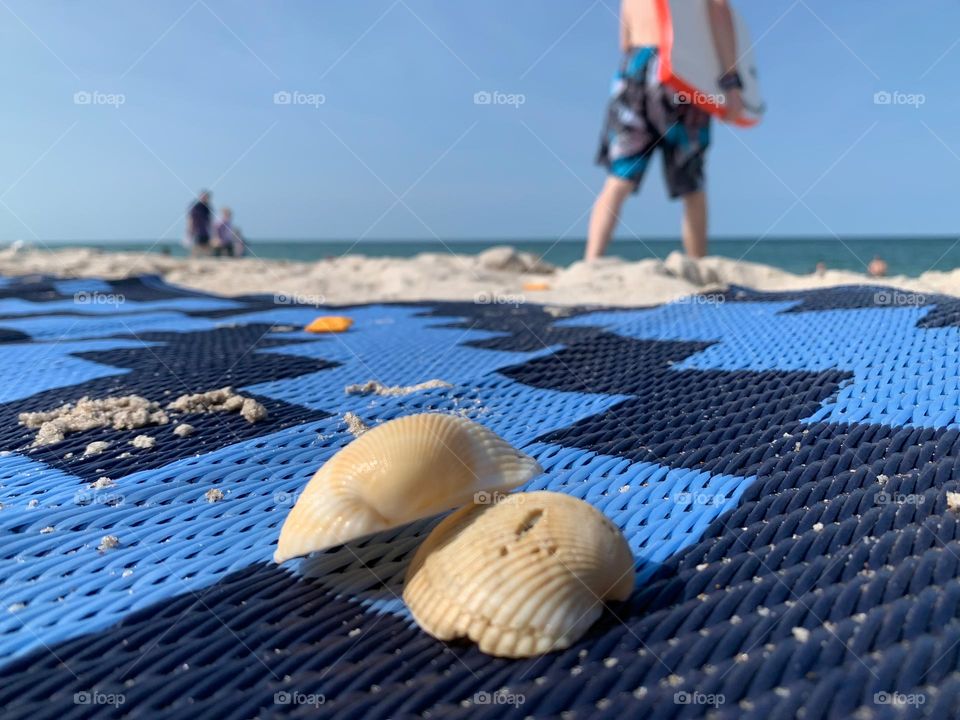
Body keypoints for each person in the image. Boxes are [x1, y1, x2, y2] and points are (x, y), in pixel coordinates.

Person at [586, 0, 744, 261]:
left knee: (618, 179)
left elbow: (624, 40)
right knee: (691, 180)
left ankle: (591, 262)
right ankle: (697, 266)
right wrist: (731, 82)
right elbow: (719, 10)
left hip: (633, 71)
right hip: (679, 68)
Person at [187, 190, 213, 257]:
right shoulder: (196, 206)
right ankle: (192, 259)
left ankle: (206, 260)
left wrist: (211, 231)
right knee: (196, 248)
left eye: (206, 197)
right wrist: (190, 230)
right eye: (203, 196)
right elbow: (191, 219)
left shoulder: (207, 207)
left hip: (205, 231)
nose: (205, 198)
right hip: (197, 231)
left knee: (207, 248)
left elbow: (209, 220)